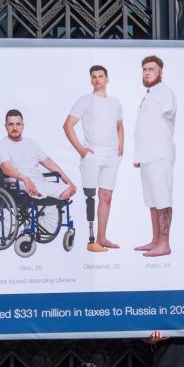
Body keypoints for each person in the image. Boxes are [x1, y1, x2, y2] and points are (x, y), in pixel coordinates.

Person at [62, 65, 124, 252]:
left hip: (111, 155)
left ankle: (102, 237)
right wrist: (81, 150)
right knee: (90, 196)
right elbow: (67, 125)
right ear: (91, 80)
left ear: (107, 79)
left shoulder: (115, 103)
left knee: (106, 196)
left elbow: (120, 125)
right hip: (93, 154)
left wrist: (122, 144)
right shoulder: (84, 101)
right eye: (94, 77)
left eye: (100, 76)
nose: (97, 79)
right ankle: (90, 241)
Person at [132, 55, 177, 257]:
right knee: (151, 200)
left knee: (162, 199)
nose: (147, 72)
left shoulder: (165, 92)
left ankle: (164, 244)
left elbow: (165, 117)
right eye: (144, 69)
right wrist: (138, 155)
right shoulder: (149, 96)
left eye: (151, 69)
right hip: (147, 157)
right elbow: (144, 127)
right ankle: (155, 240)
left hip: (160, 155)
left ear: (160, 72)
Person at [0, 109, 76, 201]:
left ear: (23, 126)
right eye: (11, 124)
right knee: (35, 192)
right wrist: (25, 179)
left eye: (18, 124)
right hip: (19, 184)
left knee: (71, 189)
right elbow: (6, 168)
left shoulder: (31, 143)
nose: (14, 128)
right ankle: (39, 196)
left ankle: (45, 197)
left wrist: (68, 181)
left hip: (40, 182)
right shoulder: (2, 145)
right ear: (6, 126)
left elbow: (48, 162)